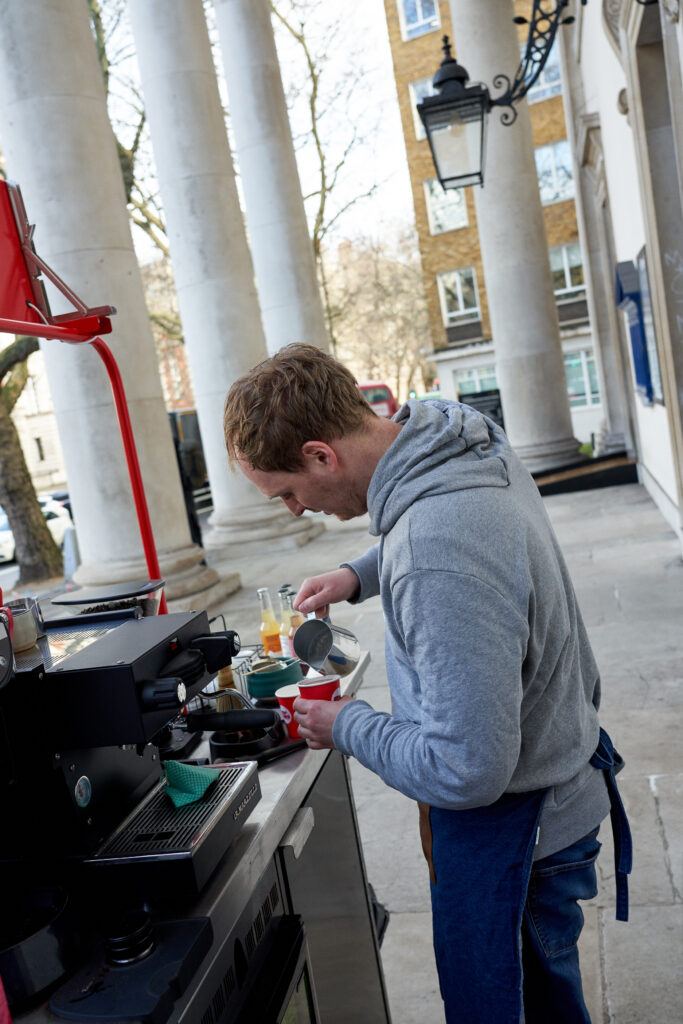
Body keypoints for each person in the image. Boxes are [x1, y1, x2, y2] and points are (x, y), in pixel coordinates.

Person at [223, 343, 631, 1024]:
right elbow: (452, 526)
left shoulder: (435, 554)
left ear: (321, 455)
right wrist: (359, 574)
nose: (293, 510)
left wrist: (346, 723)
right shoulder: (452, 434)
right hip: (556, 778)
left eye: (288, 492)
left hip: (518, 835)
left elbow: (466, 769)